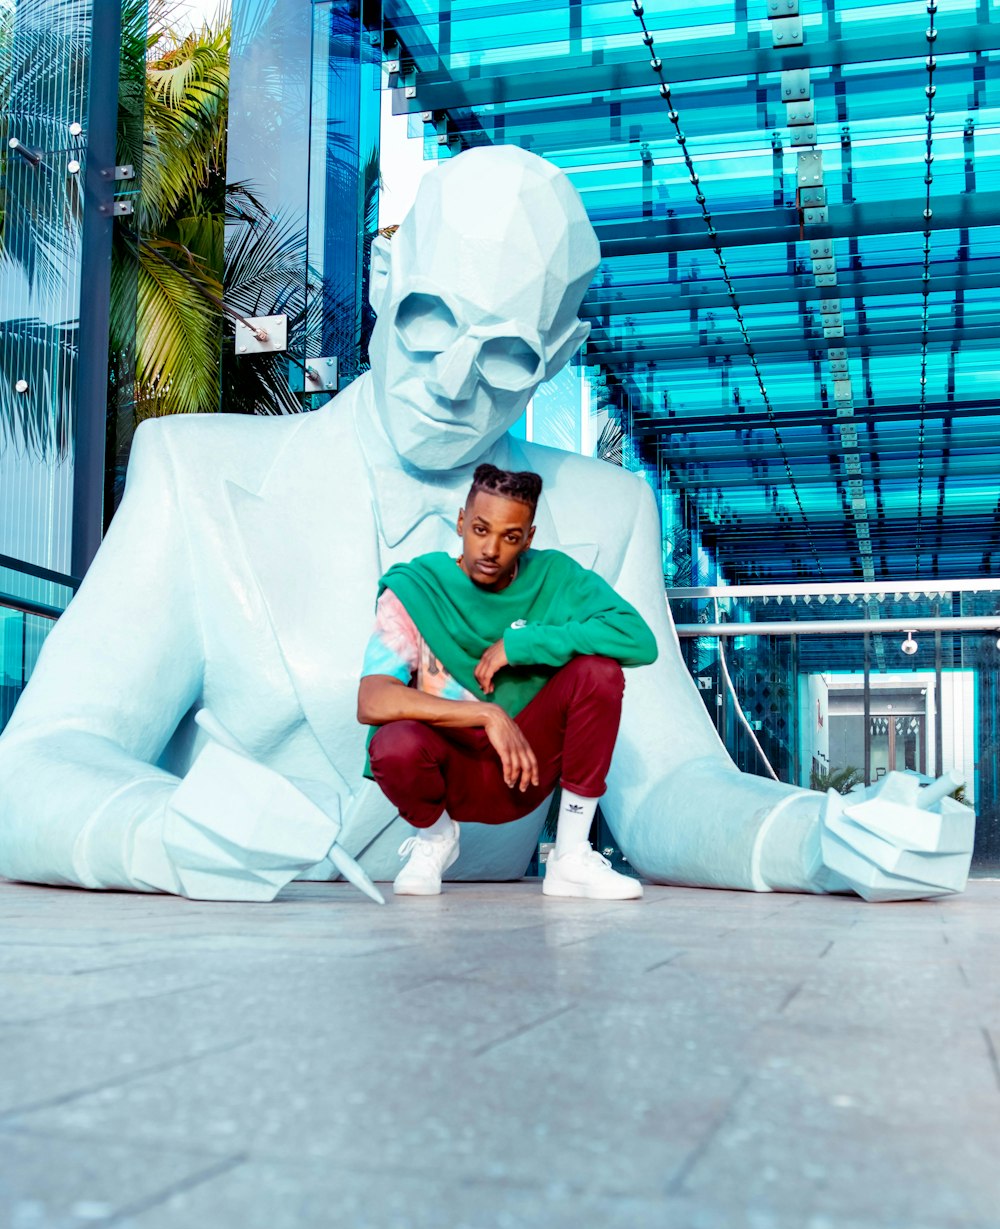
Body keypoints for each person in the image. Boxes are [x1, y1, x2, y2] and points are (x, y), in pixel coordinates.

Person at [0, 145, 973, 901]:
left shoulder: (605, 516)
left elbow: (669, 781)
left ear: (562, 355)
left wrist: (813, 838)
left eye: (507, 354)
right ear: (382, 274)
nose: (455, 382)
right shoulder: (196, 475)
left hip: (493, 1000)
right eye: (429, 319)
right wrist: (152, 830)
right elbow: (36, 765)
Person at [359, 462, 657, 898]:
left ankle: (570, 855)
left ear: (529, 538)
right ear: (461, 522)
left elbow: (639, 640)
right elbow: (372, 699)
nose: (491, 549)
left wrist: (524, 644)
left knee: (599, 672)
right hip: (451, 768)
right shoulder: (416, 587)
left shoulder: (554, 576)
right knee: (392, 743)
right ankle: (436, 839)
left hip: (526, 768)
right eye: (480, 529)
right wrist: (485, 713)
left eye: (510, 537)